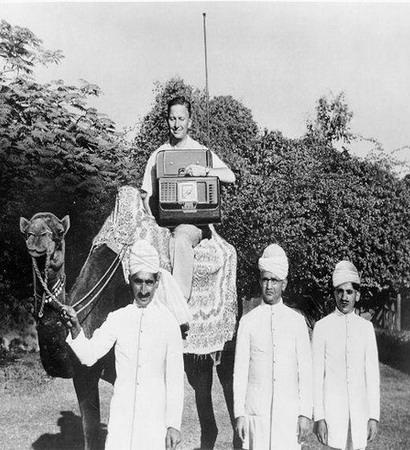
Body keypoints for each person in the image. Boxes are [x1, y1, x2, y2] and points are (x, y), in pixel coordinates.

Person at [61, 239, 184, 450]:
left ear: (157, 281)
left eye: (149, 282)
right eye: (138, 281)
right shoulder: (118, 318)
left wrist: (173, 424)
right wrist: (75, 327)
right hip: (122, 421)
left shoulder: (169, 323)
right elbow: (89, 356)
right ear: (129, 280)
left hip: (154, 423)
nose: (143, 290)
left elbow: (175, 379)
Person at [140, 95, 235, 300]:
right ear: (167, 120)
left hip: (193, 225)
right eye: (172, 119)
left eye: (181, 119)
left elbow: (230, 176)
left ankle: (179, 301)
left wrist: (205, 171)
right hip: (164, 224)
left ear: (189, 122)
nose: (176, 124)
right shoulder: (158, 155)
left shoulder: (201, 151)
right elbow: (147, 196)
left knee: (181, 238)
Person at [233, 244, 313, 449]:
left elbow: (306, 372)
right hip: (256, 414)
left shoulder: (297, 322)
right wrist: (239, 414)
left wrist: (305, 414)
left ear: (284, 284)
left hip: (288, 415)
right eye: (265, 280)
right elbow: (240, 372)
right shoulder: (248, 321)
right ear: (260, 281)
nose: (269, 286)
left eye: (274, 280)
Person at [312, 261, 380, 450]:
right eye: (340, 292)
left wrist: (373, 416)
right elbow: (316, 377)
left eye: (349, 292)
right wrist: (319, 417)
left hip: (360, 413)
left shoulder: (366, 328)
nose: (344, 297)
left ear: (357, 295)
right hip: (332, 413)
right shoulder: (322, 327)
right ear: (334, 293)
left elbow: (372, 376)